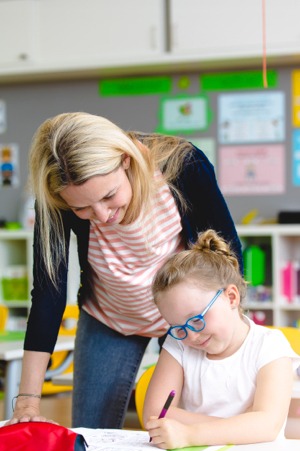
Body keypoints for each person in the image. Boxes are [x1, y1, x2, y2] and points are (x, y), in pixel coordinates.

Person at [8, 112, 243, 429]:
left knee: (186, 427)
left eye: (108, 196)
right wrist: (28, 400)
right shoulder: (55, 198)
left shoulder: (183, 165)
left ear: (128, 160)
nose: (102, 215)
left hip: (185, 320)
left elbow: (226, 255)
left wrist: (234, 340)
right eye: (82, 208)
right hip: (109, 317)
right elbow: (49, 292)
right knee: (91, 432)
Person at [144, 229, 300, 449]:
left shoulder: (271, 346)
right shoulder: (178, 343)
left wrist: (189, 434)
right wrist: (243, 426)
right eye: (178, 327)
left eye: (196, 319)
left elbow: (267, 425)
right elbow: (154, 413)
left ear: (231, 297)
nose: (191, 335)